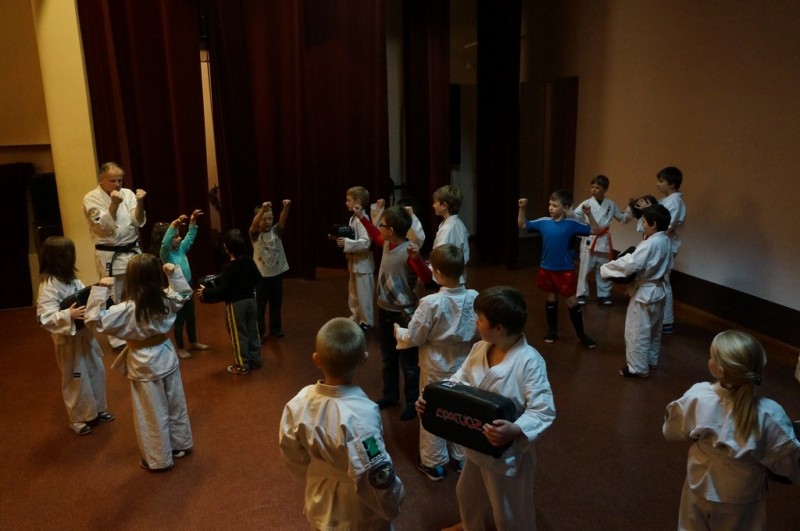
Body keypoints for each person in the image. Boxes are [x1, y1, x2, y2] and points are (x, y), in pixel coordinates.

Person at [418, 286, 556, 531]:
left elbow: (543, 410)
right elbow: (459, 380)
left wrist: (515, 429)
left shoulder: (529, 362)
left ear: (498, 328)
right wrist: (435, 400)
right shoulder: (480, 348)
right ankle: (471, 527)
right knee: (466, 494)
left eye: (479, 319)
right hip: (477, 444)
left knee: (509, 513)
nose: (475, 322)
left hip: (507, 455)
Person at [663, 330, 800, 530]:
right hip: (742, 495)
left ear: (717, 369)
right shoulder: (770, 414)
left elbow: (670, 431)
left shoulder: (697, 397)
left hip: (699, 483)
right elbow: (789, 461)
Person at [279, 317, 405, 530]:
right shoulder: (363, 416)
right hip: (356, 508)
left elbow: (290, 451)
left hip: (320, 494)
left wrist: (314, 473)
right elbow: (376, 473)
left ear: (316, 359)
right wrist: (394, 499)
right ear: (364, 359)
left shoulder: (298, 403)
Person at [84, 254, 193, 472]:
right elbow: (184, 294)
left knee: (151, 412)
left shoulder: (126, 309)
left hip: (144, 363)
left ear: (131, 279)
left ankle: (159, 459)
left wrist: (100, 290)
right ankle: (180, 444)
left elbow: (93, 320)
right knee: (175, 403)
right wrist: (174, 274)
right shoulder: (166, 298)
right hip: (166, 355)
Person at [394, 243, 478, 481]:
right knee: (461, 407)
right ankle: (461, 457)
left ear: (437, 273)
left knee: (432, 407)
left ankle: (434, 463)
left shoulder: (431, 302)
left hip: (435, 364)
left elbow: (415, 337)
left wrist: (398, 331)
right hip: (464, 361)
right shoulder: (474, 297)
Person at [359, 206, 433, 421]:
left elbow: (427, 279)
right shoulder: (387, 244)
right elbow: (375, 235)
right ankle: (390, 395)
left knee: (408, 363)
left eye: (382, 224)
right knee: (387, 357)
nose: (379, 228)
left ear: (391, 230)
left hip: (403, 314)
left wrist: (417, 259)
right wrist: (362, 217)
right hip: (384, 309)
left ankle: (412, 402)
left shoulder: (408, 251)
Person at [36, 236, 114, 436]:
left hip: (85, 336)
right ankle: (78, 418)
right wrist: (67, 315)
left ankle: (98, 409)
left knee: (96, 372)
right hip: (67, 341)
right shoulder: (48, 285)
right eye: (69, 254)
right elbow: (44, 317)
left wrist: (103, 294)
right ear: (58, 258)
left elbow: (86, 300)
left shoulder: (73, 280)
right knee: (76, 378)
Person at [517, 190, 600, 348]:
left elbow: (596, 230)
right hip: (546, 268)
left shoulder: (572, 224)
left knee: (572, 301)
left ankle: (581, 335)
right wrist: (522, 208)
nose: (550, 207)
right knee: (551, 296)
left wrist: (589, 214)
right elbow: (522, 224)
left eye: (555, 205)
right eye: (550, 204)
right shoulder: (544, 222)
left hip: (565, 271)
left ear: (566, 207)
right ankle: (552, 330)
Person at [600, 205, 673, 377]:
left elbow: (631, 264)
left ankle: (637, 368)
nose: (642, 225)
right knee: (654, 331)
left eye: (645, 222)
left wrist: (606, 269)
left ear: (654, 224)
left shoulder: (651, 243)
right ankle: (651, 360)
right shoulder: (665, 239)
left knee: (637, 331)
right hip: (658, 290)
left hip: (645, 293)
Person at [83, 161, 147, 351]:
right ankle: (117, 338)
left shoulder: (127, 193)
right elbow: (103, 227)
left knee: (138, 291)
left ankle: (139, 328)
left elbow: (138, 220)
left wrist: (140, 202)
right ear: (102, 180)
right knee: (114, 295)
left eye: (120, 180)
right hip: (110, 253)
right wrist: (114, 204)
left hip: (132, 250)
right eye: (113, 181)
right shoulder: (91, 198)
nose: (118, 184)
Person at [197, 228, 262, 375]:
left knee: (239, 335)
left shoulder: (228, 268)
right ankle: (256, 360)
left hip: (236, 306)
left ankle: (242, 365)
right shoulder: (249, 261)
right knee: (253, 331)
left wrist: (206, 292)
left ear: (226, 248)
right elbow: (258, 279)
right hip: (251, 302)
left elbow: (223, 291)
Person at [157, 210, 209, 359]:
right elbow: (165, 244)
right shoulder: (166, 254)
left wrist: (192, 221)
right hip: (177, 292)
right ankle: (180, 347)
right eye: (175, 237)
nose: (179, 238)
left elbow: (190, 237)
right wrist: (172, 226)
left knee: (191, 316)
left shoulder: (181, 249)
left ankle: (193, 342)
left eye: (179, 235)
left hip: (188, 287)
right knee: (179, 320)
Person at [572, 175, 629, 306]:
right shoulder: (586, 203)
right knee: (584, 269)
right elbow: (575, 216)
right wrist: (568, 211)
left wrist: (631, 209)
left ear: (605, 189)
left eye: (597, 187)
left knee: (602, 269)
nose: (593, 190)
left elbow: (622, 218)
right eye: (592, 187)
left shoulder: (611, 204)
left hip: (604, 240)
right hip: (589, 237)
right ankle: (581, 294)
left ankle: (604, 294)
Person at [250, 200, 291, 342]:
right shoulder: (255, 234)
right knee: (260, 306)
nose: (268, 222)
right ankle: (259, 332)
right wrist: (263, 209)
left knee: (276, 303)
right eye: (264, 219)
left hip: (276, 275)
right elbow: (254, 225)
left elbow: (282, 219)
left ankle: (275, 328)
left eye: (270, 218)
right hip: (261, 277)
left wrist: (286, 207)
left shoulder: (276, 232)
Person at [654, 166, 686, 334]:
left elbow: (667, 225)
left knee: (663, 281)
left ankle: (666, 321)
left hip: (666, 243)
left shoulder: (674, 202)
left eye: (661, 181)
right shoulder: (666, 200)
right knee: (660, 280)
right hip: (662, 242)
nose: (657, 184)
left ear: (672, 184)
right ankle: (662, 319)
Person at [338, 186, 374, 332]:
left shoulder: (362, 219)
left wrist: (346, 243)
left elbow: (366, 242)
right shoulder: (353, 218)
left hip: (363, 263)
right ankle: (356, 317)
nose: (346, 203)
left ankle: (366, 321)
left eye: (349, 200)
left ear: (357, 202)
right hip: (355, 262)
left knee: (364, 294)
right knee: (354, 293)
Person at [432, 185, 470, 283]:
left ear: (444, 205)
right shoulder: (458, 223)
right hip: (457, 273)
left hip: (448, 277)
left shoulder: (447, 229)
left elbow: (440, 255)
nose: (433, 205)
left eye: (435, 202)